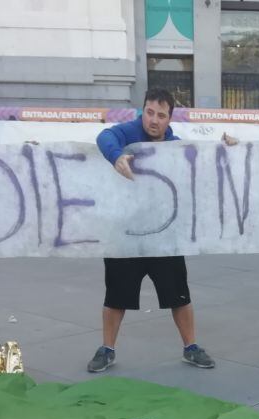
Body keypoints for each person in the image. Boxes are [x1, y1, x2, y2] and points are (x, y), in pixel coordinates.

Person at [89, 87, 214, 373]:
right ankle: (107, 349)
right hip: (126, 234)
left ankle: (191, 347)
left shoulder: (176, 146)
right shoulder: (127, 132)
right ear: (142, 110)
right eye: (149, 112)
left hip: (163, 236)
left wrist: (231, 147)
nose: (153, 120)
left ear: (170, 119)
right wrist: (116, 156)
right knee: (115, 297)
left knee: (179, 295)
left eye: (161, 115)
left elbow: (203, 165)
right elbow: (104, 137)